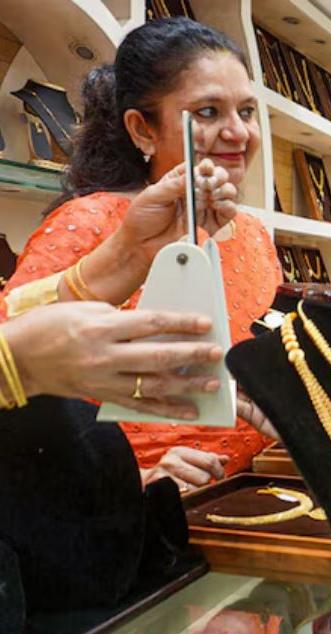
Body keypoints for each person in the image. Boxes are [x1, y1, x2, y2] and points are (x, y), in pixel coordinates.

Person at [0, 17, 281, 490]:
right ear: (142, 130)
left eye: (247, 111)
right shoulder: (90, 222)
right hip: (134, 511)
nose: (238, 132)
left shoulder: (253, 233)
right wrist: (136, 478)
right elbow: (22, 398)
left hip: (248, 496)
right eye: (208, 111)